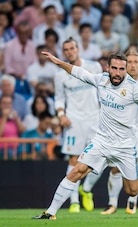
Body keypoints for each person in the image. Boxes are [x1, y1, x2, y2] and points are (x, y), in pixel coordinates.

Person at [33, 51, 138, 220]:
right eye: (114, 68)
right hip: (101, 142)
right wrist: (58, 62)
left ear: (125, 69)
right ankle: (50, 213)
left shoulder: (135, 88)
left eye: (121, 69)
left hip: (125, 146)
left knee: (132, 190)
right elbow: (79, 72)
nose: (118, 73)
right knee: (76, 171)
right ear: (108, 68)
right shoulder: (101, 80)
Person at [79, 50, 138, 215]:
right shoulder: (116, 83)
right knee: (116, 169)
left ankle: (132, 202)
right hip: (119, 133)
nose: (132, 65)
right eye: (129, 62)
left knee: (135, 167)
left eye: (135, 62)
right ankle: (112, 204)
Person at [54, 38, 103, 213]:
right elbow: (59, 98)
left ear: (78, 49)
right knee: (74, 161)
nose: (69, 52)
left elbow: (102, 90)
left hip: (95, 119)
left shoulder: (94, 67)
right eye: (65, 49)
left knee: (99, 159)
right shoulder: (60, 74)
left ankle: (86, 189)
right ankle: (74, 201)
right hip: (73, 121)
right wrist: (61, 115)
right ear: (63, 52)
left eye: (71, 48)